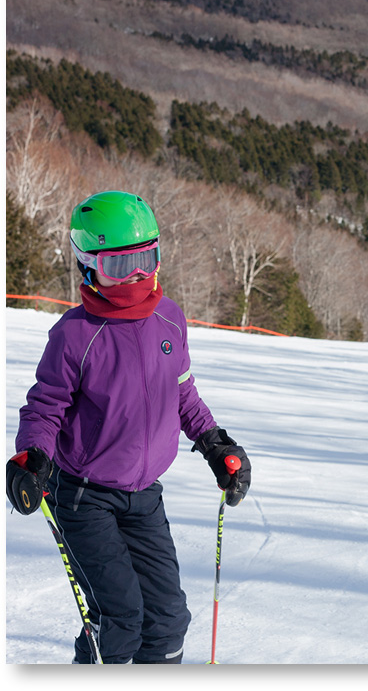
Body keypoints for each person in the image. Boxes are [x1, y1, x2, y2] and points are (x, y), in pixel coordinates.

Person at [6, 190, 252, 664]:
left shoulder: (169, 319)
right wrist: (31, 457)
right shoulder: (76, 335)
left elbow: (182, 394)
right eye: (121, 266)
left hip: (144, 497)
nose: (138, 275)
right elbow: (45, 408)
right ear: (88, 264)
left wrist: (216, 445)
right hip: (82, 496)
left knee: (167, 621)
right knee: (119, 618)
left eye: (146, 259)